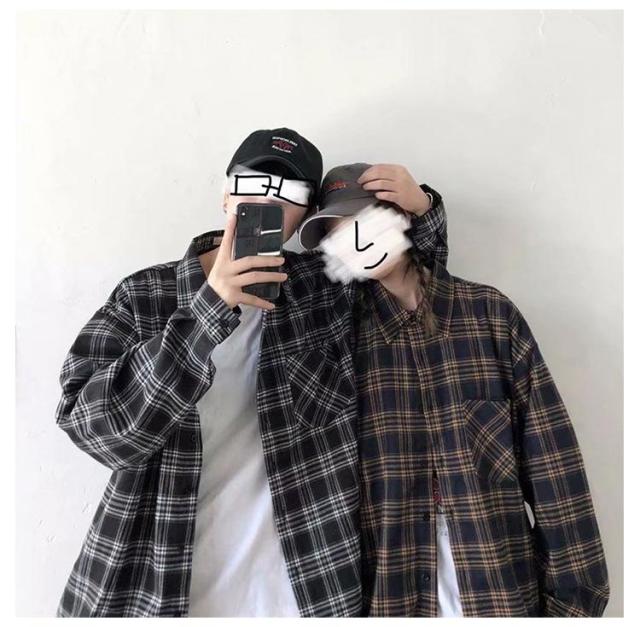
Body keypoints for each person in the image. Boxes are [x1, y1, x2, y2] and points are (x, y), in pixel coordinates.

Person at [54, 128, 446, 617]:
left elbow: (421, 300)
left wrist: (422, 208)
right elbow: (96, 432)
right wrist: (209, 309)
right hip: (159, 586)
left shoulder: (325, 291)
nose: (267, 199)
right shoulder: (145, 295)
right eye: (253, 182)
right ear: (225, 194)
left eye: (290, 192)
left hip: (307, 583)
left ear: (305, 216)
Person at [297, 162, 610, 617]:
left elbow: (554, 469)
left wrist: (574, 607)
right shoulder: (339, 346)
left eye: (361, 222)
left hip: (500, 593)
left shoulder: (489, 316)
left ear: (398, 217)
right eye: (337, 234)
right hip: (390, 597)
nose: (354, 241)